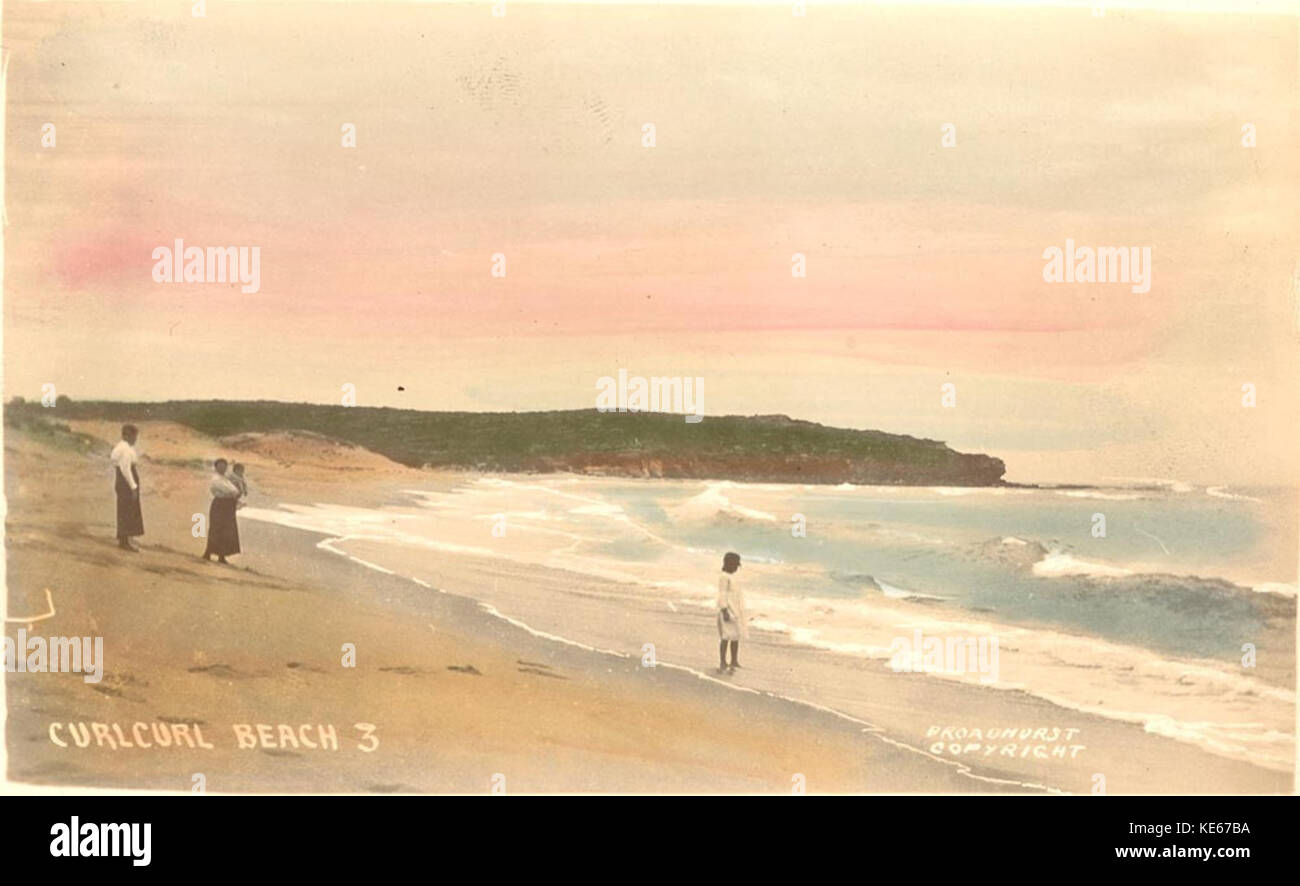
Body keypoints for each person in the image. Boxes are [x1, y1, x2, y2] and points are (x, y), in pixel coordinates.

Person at [110, 424, 144, 551]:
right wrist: (133, 486)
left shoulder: (122, 447)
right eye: (133, 436)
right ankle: (124, 541)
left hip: (122, 480)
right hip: (125, 481)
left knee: (125, 508)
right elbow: (125, 469)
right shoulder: (124, 449)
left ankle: (124, 538)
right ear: (126, 435)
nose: (135, 439)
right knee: (126, 509)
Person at [203, 459, 242, 564]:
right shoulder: (216, 479)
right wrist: (236, 493)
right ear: (216, 467)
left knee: (227, 531)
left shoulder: (225, 479)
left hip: (228, 505)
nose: (223, 468)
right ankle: (208, 553)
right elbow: (231, 491)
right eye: (220, 466)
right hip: (220, 504)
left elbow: (235, 491)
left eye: (224, 466)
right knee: (216, 529)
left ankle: (221, 556)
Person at [716, 551, 745, 673]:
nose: (736, 568)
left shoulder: (733, 577)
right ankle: (723, 661)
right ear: (728, 564)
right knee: (726, 637)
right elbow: (722, 594)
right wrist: (724, 610)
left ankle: (734, 660)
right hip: (727, 610)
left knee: (735, 636)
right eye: (735, 565)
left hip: (735, 610)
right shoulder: (724, 577)